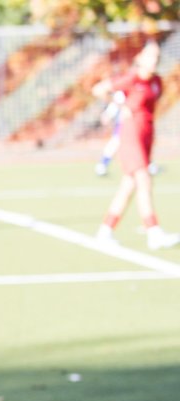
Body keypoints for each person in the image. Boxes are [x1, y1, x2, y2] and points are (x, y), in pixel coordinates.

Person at [93, 41, 178, 250]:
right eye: (150, 56)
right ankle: (153, 232)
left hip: (147, 135)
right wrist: (120, 106)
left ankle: (105, 231)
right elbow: (100, 89)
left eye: (157, 57)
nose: (154, 60)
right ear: (140, 58)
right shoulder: (132, 78)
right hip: (131, 135)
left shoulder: (157, 81)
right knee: (144, 179)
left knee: (129, 185)